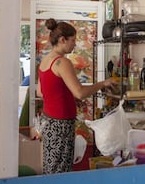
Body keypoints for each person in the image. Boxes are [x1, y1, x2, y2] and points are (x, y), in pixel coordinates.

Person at [37, 18, 116, 174]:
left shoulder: (45, 61)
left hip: (48, 121)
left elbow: (40, 92)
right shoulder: (62, 62)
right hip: (60, 125)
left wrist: (65, 97)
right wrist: (103, 83)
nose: (74, 44)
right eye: (72, 40)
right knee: (61, 171)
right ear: (62, 40)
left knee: (51, 168)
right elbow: (79, 92)